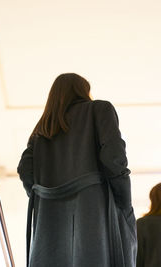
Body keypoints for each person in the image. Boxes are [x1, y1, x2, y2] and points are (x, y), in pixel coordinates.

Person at [17, 73, 137, 267]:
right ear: (82, 91)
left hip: (49, 222)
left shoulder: (41, 131)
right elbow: (113, 157)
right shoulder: (100, 109)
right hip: (94, 211)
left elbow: (25, 170)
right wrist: (123, 201)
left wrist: (46, 197)